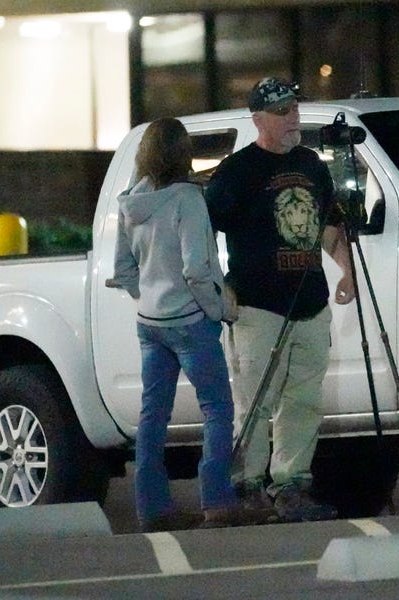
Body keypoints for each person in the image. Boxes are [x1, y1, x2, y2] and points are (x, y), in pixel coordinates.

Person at [204, 77, 356, 522]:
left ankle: (292, 486)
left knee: (304, 399)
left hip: (311, 302)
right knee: (255, 400)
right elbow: (200, 232)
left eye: (294, 108)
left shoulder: (312, 164)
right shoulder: (236, 172)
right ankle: (246, 487)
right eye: (282, 111)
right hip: (257, 306)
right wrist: (220, 285)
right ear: (258, 120)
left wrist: (346, 268)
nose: (293, 118)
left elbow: (328, 226)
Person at [113, 117, 268, 532]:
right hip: (190, 321)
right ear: (184, 153)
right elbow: (196, 269)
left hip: (150, 323)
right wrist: (216, 310)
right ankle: (216, 501)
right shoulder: (187, 199)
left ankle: (152, 509)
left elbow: (123, 269)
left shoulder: (130, 202)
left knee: (152, 417)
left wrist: (149, 298)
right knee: (217, 409)